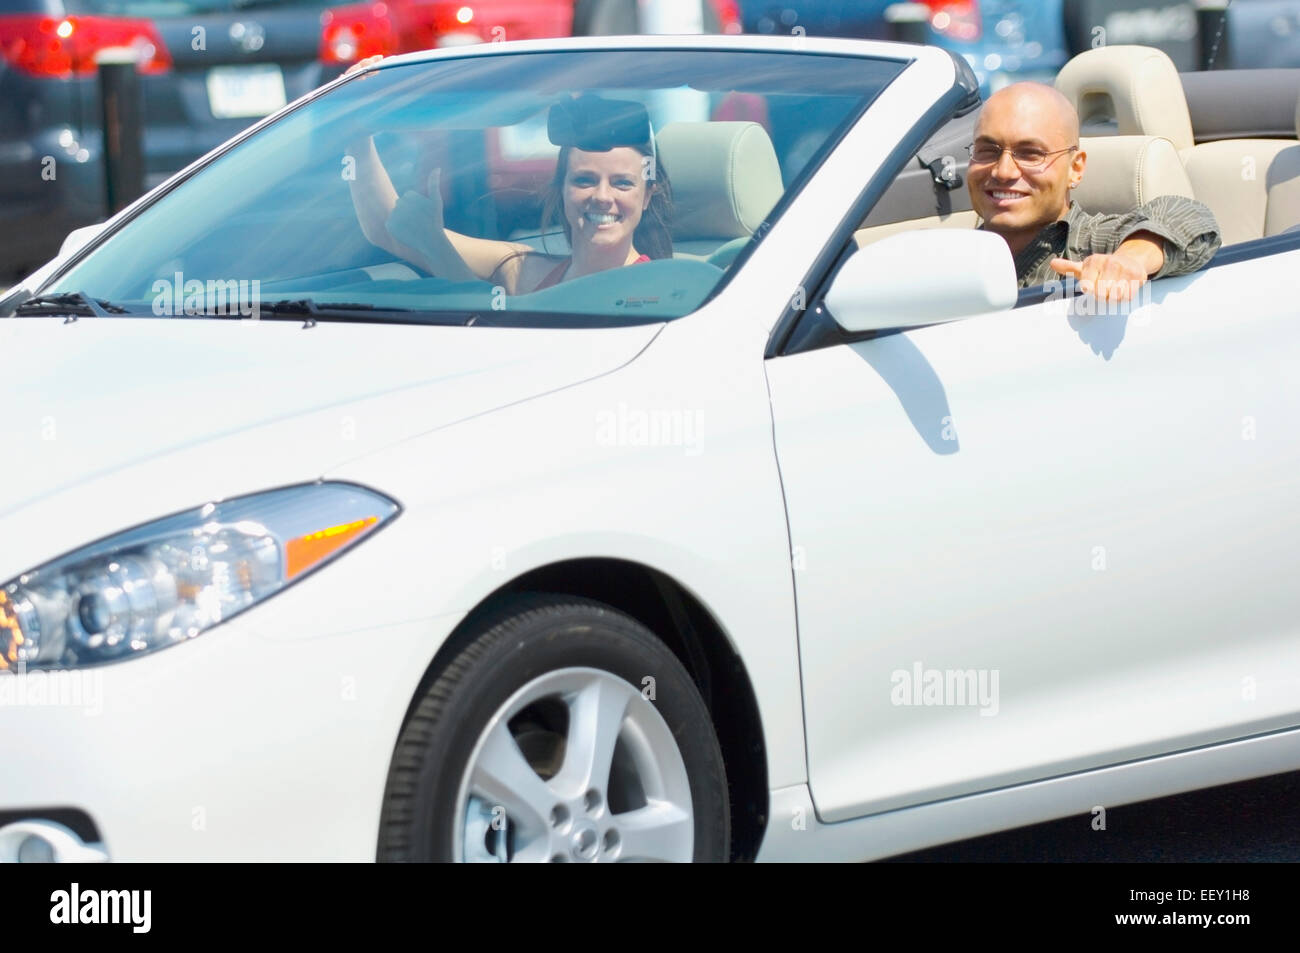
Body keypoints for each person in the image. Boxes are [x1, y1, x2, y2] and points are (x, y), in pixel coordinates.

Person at [343, 58, 672, 294]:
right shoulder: (524, 270)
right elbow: (390, 229)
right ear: (561, 189)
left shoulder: (660, 290)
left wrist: (435, 244)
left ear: (647, 196)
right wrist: (356, 131)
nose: (602, 196)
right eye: (583, 180)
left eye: (623, 183)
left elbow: (493, 330)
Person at [966, 82, 1221, 304]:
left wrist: (1129, 261)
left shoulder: (1096, 244)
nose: (1003, 171)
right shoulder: (954, 256)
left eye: (1031, 154)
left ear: (1075, 169)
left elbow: (1191, 217)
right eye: (987, 151)